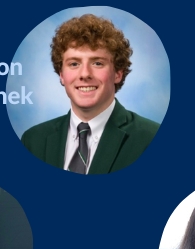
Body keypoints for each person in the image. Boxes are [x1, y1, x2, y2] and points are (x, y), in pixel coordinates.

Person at [21, 14, 159, 174]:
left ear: (118, 73)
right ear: (61, 74)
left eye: (97, 63)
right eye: (74, 64)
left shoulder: (151, 139)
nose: (85, 74)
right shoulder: (33, 140)